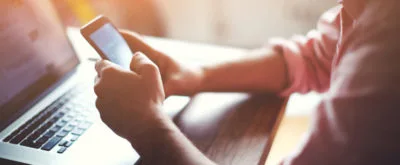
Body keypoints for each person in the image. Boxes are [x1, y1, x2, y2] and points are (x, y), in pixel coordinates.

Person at [93, 0, 400, 164]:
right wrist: (196, 76)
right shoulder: (370, 9)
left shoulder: (386, 60)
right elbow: (317, 57)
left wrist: (148, 129)